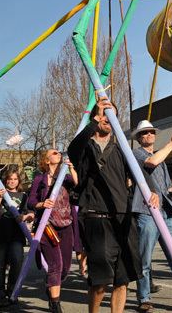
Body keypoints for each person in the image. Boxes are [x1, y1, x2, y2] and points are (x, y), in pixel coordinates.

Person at [68, 97, 159, 313]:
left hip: (123, 218)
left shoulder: (121, 150)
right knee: (100, 281)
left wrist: (151, 191)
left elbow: (139, 173)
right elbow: (73, 149)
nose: (108, 118)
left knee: (122, 279)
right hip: (96, 217)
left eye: (112, 114)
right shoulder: (85, 146)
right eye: (104, 114)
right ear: (97, 118)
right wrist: (95, 117)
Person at [131, 119, 172, 313]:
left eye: (151, 132)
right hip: (146, 211)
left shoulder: (161, 156)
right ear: (138, 138)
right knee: (145, 258)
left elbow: (165, 186)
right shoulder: (136, 154)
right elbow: (151, 162)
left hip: (166, 212)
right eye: (144, 133)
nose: (148, 135)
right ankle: (144, 297)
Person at [28, 149, 80, 313]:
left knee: (65, 268)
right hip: (47, 226)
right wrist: (42, 204)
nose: (59, 154)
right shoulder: (40, 179)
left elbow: (78, 184)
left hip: (66, 225)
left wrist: (72, 168)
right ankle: (55, 304)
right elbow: (31, 201)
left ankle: (51, 286)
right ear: (47, 159)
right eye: (55, 152)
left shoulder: (65, 177)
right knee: (55, 265)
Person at [0, 167, 34, 307]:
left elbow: (30, 214)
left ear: (18, 181)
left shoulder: (23, 196)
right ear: (5, 180)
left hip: (17, 236)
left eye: (15, 179)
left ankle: (12, 290)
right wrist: (0, 197)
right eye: (9, 179)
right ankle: (0, 293)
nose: (12, 182)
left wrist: (26, 216)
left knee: (17, 262)